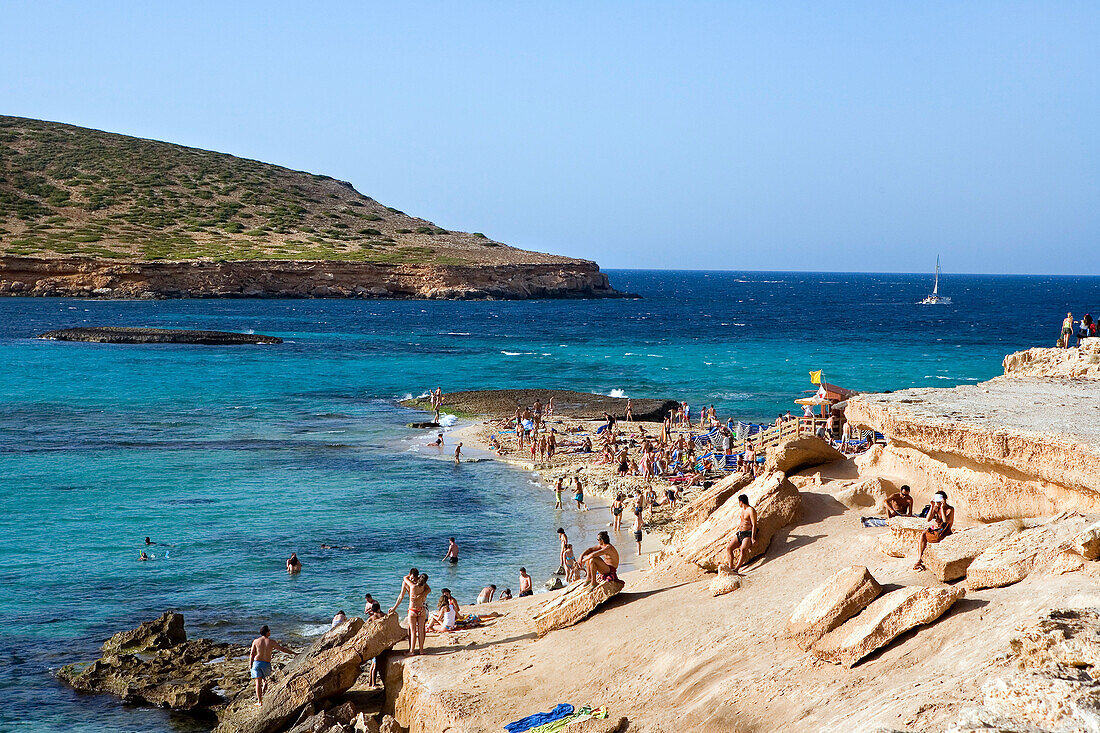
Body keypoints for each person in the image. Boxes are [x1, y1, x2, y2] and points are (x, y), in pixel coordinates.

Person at [249, 625, 293, 706]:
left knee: (258, 683)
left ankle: (259, 701)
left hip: (256, 663)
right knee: (265, 681)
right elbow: (282, 649)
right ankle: (264, 695)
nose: (270, 632)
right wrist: (293, 653)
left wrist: (250, 665)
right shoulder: (271, 642)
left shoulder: (255, 641)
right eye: (269, 630)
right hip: (266, 664)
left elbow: (252, 654)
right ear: (267, 632)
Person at [914, 491, 954, 570]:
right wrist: (932, 506)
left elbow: (945, 522)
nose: (937, 503)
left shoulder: (950, 509)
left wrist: (942, 508)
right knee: (923, 535)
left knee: (936, 537)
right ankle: (919, 559)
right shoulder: (936, 508)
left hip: (945, 530)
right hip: (936, 528)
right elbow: (928, 519)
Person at [724, 494, 757, 575]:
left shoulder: (751, 510)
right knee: (729, 548)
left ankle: (736, 569)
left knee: (743, 549)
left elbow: (754, 525)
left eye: (739, 502)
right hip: (740, 533)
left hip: (747, 533)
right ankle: (730, 567)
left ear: (741, 502)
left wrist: (753, 538)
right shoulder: (743, 509)